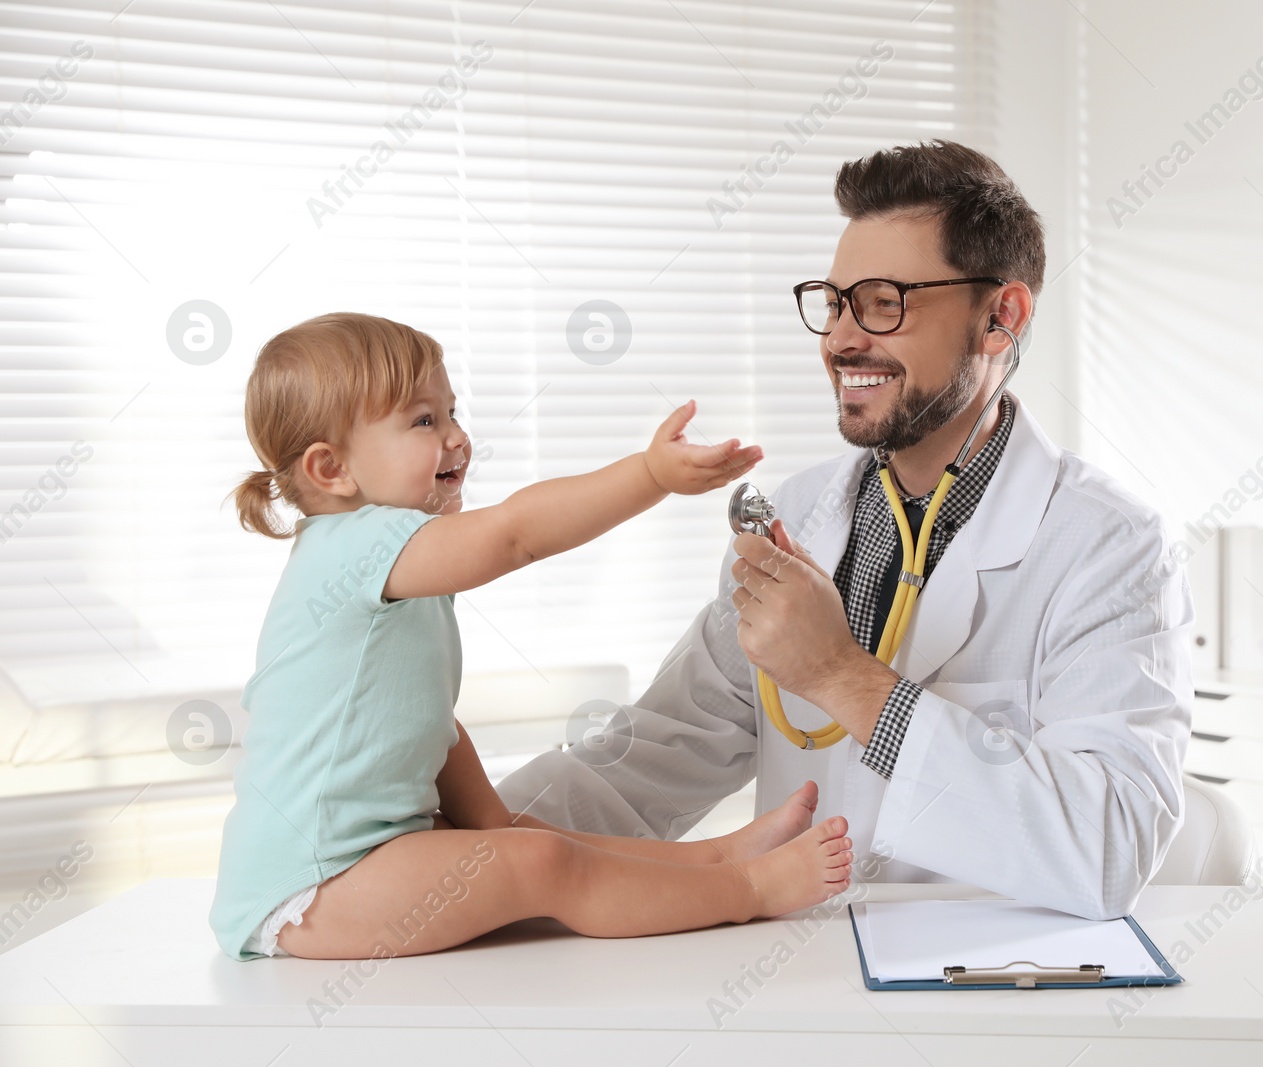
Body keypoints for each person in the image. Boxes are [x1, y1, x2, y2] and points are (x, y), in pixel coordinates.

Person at [496, 140, 1193, 920]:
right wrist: (454, 834)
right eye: (833, 303)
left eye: (884, 302)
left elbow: (1108, 848)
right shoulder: (801, 517)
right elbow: (653, 754)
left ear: (1001, 317)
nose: (839, 341)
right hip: (805, 979)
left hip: (996, 993)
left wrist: (840, 676)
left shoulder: (1109, 545)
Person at [210, 312, 852, 962]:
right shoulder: (360, 545)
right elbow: (514, 534)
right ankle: (744, 887)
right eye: (424, 420)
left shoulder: (391, 560)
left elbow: (425, 717)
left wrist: (491, 816)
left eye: (451, 410)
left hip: (357, 859)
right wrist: (650, 474)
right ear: (331, 469)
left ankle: (713, 855)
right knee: (542, 860)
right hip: (315, 883)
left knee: (535, 838)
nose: (458, 436)